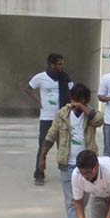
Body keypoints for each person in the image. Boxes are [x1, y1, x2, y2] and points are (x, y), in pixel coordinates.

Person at [38, 83, 103, 218]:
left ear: (86, 100)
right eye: (75, 100)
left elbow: (99, 121)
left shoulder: (91, 114)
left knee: (84, 199)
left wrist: (83, 107)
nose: (76, 105)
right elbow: (51, 135)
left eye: (81, 101)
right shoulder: (62, 114)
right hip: (67, 164)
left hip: (87, 164)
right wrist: (42, 156)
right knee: (73, 200)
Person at [26, 53, 74, 186]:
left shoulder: (65, 78)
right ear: (52, 65)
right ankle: (39, 174)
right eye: (59, 64)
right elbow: (28, 89)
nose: (62, 66)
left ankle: (66, 174)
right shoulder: (40, 77)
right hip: (46, 118)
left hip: (63, 117)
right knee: (43, 146)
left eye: (62, 64)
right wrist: (38, 102)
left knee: (64, 146)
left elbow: (72, 94)